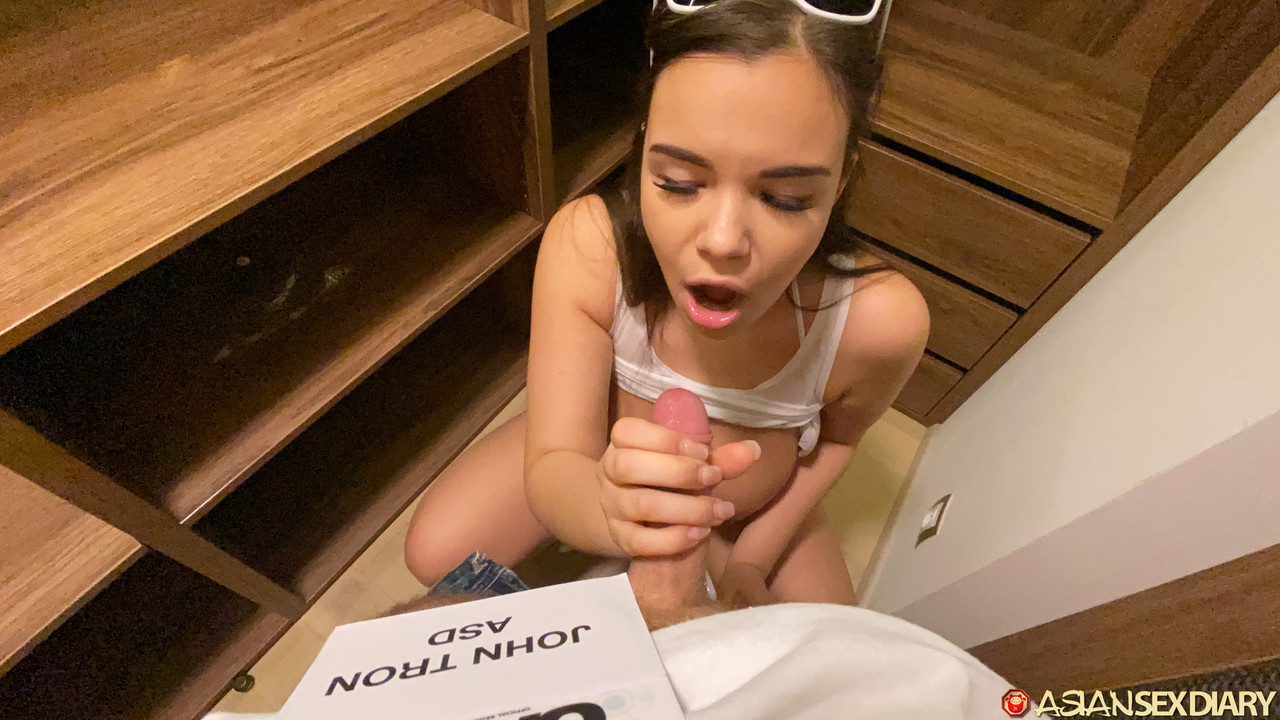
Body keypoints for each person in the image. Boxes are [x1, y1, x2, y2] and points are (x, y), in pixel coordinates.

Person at [404, 0, 929, 608]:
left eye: (785, 198)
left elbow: (837, 443)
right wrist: (607, 508)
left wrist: (751, 559)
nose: (723, 241)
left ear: (840, 182)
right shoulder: (591, 249)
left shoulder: (875, 322)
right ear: (644, 145)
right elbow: (557, 458)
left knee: (828, 640)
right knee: (437, 552)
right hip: (593, 452)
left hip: (745, 508)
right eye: (679, 183)